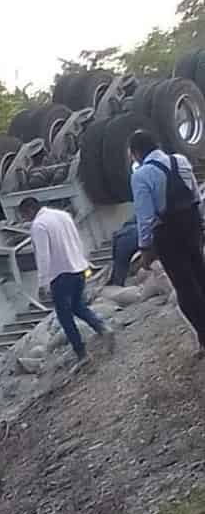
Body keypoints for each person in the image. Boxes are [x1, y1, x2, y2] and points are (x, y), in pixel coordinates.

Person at [129, 129, 205, 355]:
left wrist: (145, 248)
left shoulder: (141, 175)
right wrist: (201, 224)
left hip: (168, 233)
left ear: (137, 152)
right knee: (201, 274)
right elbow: (196, 196)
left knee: (185, 286)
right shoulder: (180, 160)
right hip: (191, 225)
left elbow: (146, 217)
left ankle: (203, 335)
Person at [19, 196, 113, 367]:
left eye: (24, 216)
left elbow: (43, 255)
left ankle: (81, 353)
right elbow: (77, 240)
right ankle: (103, 328)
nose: (26, 220)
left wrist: (42, 283)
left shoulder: (39, 225)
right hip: (78, 268)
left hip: (60, 275)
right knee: (78, 306)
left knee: (65, 317)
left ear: (29, 211)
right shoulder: (63, 215)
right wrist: (84, 261)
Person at [110, 217, 138, 287]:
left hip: (121, 237)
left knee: (120, 270)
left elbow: (115, 258)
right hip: (134, 234)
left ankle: (117, 285)